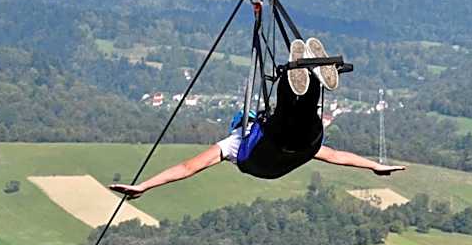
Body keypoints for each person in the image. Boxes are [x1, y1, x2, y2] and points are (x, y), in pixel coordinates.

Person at [110, 37, 405, 199]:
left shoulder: (232, 145)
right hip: (299, 143)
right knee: (298, 114)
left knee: (298, 115)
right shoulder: (238, 141)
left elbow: (188, 167)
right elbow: (337, 156)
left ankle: (308, 76)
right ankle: (309, 76)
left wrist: (145, 185)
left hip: (292, 145)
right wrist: (373, 166)